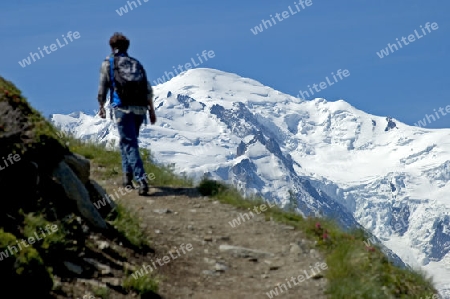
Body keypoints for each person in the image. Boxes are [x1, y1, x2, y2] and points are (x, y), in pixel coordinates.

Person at [97, 32, 156, 196]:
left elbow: (103, 86)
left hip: (122, 108)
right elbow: (147, 88)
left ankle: (141, 179)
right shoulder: (135, 63)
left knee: (129, 143)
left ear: (111, 46)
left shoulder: (108, 63)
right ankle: (127, 177)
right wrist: (151, 110)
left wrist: (101, 105)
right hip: (140, 109)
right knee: (128, 141)